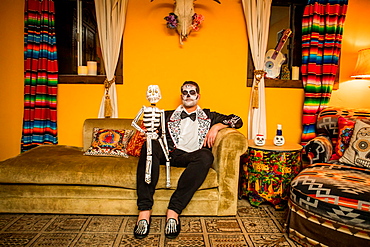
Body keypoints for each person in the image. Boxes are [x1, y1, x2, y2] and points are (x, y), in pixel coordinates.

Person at [133, 81, 243, 239]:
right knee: (150, 144)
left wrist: (216, 126)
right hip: (168, 154)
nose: (188, 95)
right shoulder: (166, 115)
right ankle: (144, 213)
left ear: (198, 96)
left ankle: (173, 212)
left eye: (192, 92)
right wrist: (148, 134)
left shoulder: (209, 116)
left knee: (206, 156)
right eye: (185, 93)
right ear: (181, 96)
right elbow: (150, 130)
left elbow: (237, 120)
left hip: (192, 156)